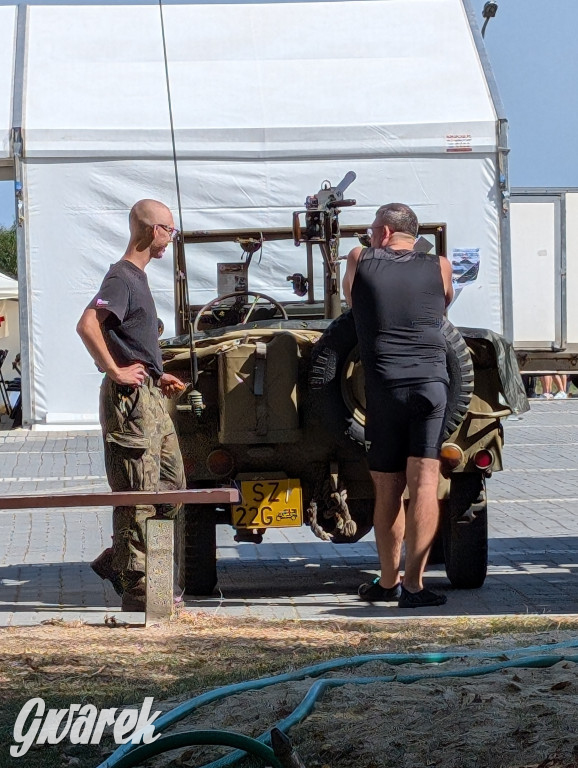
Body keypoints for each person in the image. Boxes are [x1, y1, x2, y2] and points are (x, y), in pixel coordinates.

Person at [77, 199, 186, 611]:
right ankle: (141, 588)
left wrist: (159, 375)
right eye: (167, 231)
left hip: (150, 398)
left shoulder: (137, 278)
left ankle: (123, 561)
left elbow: (130, 339)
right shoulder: (121, 277)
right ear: (148, 230)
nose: (169, 240)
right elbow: (87, 324)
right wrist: (116, 371)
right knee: (138, 492)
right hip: (128, 403)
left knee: (172, 490)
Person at [342, 203, 453, 608]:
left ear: (385, 232)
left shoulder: (359, 258)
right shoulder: (439, 264)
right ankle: (415, 586)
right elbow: (444, 303)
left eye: (372, 231)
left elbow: (351, 299)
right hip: (431, 386)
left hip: (385, 388)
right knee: (424, 486)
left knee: (388, 489)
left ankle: (387, 582)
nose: (369, 238)